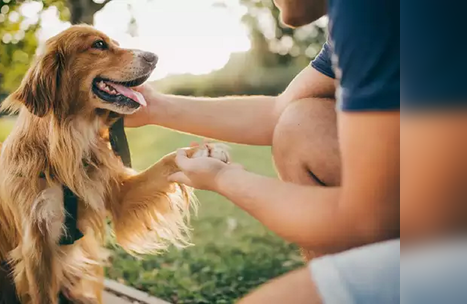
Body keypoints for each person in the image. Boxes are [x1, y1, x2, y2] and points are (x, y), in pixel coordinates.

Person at [128, 0, 402, 302]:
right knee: (302, 122)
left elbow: (368, 216)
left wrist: (224, 179)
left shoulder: (370, 10)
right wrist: (153, 107)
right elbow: (279, 112)